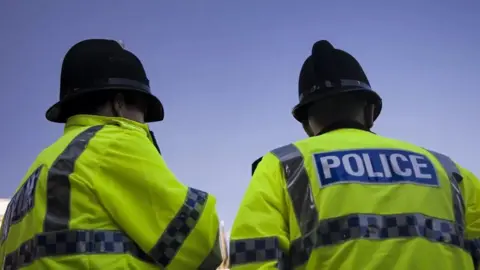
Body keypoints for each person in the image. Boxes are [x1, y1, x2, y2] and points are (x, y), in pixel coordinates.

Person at [228, 40, 480, 269]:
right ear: (371, 112)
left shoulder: (283, 166)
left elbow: (253, 259)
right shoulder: (450, 171)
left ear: (306, 124)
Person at [0, 39, 222, 269]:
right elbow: (202, 246)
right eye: (143, 112)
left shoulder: (35, 174)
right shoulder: (110, 143)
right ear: (119, 104)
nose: (144, 123)